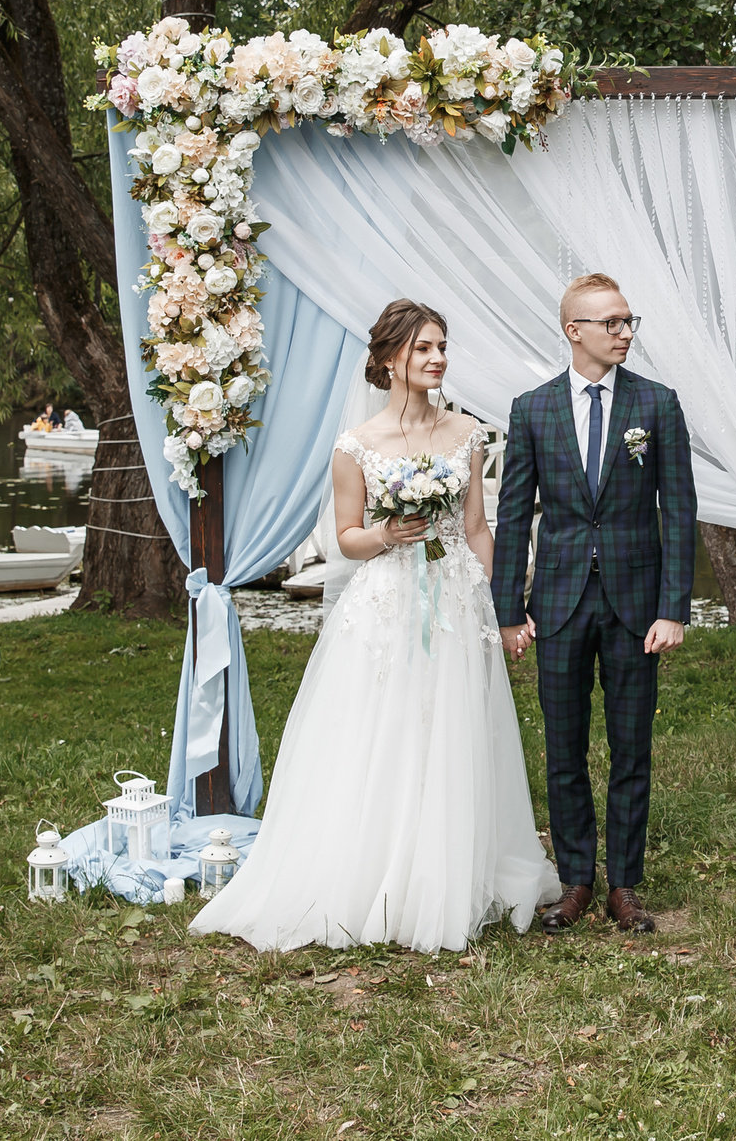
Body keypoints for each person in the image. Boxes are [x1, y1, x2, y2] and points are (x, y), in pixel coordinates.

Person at [191, 300, 557, 952]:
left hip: (454, 598)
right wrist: (388, 532)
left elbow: (476, 528)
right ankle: (376, 869)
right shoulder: (355, 445)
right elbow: (347, 539)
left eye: (442, 346)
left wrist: (507, 608)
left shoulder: (467, 433)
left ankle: (448, 868)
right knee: (383, 729)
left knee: (453, 731)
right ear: (391, 359)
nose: (438, 358)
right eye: (423, 348)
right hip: (387, 600)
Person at [492, 272, 698, 933]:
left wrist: (673, 607)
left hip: (638, 604)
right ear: (572, 329)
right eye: (611, 321)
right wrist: (507, 609)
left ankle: (626, 885)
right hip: (556, 602)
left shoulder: (658, 405)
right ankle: (577, 878)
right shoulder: (532, 409)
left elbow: (680, 510)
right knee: (564, 747)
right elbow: (515, 513)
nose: (625, 331)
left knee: (631, 746)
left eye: (629, 320)